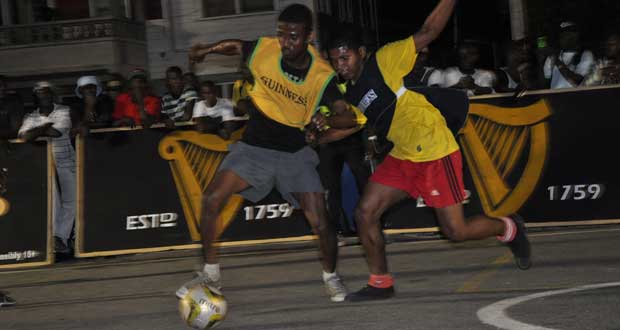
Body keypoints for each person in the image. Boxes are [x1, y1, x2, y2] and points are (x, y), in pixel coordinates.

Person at [323, 0, 531, 301]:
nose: (341, 65)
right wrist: (319, 135)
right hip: (404, 155)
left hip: (435, 150)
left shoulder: (385, 60)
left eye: (346, 57)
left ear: (361, 53)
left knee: (455, 232)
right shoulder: (350, 89)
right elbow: (354, 124)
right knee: (365, 212)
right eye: (335, 60)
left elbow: (429, 30)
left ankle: (509, 227)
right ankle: (381, 282)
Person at [177, 4, 357, 302]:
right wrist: (206, 49)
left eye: (294, 36)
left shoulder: (322, 75)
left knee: (321, 221)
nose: (286, 42)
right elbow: (236, 45)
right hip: (253, 148)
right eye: (282, 34)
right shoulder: (265, 49)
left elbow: (346, 115)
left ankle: (331, 276)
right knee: (210, 199)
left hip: (294, 154)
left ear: (309, 37)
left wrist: (329, 120)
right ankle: (210, 274)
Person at [18, 81, 76, 255]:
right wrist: (44, 127)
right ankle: (54, 240)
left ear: (52, 94)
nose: (44, 96)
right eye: (41, 93)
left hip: (66, 161)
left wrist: (37, 131)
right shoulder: (30, 116)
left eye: (47, 92)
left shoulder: (64, 110)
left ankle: (60, 237)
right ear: (36, 96)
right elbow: (24, 136)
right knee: (54, 202)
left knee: (71, 201)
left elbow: (57, 132)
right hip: (44, 165)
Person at [543, 21, 595, 89]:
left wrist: (557, 61)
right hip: (556, 98)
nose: (561, 38)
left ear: (575, 36)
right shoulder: (553, 56)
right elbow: (545, 83)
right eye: (560, 35)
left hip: (576, 98)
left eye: (565, 35)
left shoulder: (586, 55)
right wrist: (540, 59)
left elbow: (577, 81)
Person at [0, 76, 24, 155]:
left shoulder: (13, 101)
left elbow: (16, 128)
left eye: (4, 85)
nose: (3, 88)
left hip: (13, 143)